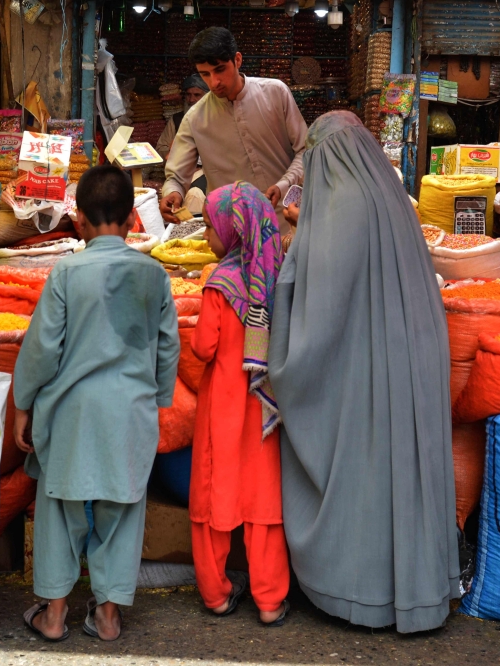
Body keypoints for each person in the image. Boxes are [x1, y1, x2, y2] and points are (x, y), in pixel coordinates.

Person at [269, 111, 459, 633]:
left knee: (365, 472)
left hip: (365, 368)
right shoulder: (390, 197)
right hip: (411, 358)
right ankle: (416, 593)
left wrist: (279, 356)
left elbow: (320, 307)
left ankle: (358, 592)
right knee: (401, 471)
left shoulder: (340, 205)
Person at [13, 164, 180, 643]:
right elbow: (167, 348)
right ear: (132, 219)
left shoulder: (66, 272)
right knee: (121, 511)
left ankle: (54, 614)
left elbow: (42, 347)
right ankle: (107, 616)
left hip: (70, 416)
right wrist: (157, 402)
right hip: (129, 415)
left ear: (78, 219)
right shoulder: (154, 275)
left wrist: (24, 402)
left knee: (59, 511)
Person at [190, 181, 289, 627]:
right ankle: (269, 600)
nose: (207, 236)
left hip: (222, 410)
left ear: (233, 231)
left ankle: (215, 594)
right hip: (264, 408)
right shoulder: (276, 278)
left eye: (211, 227)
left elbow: (203, 347)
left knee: (213, 497)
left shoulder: (218, 285)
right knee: (262, 502)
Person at [161, 27, 307, 234]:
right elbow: (176, 176)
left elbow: (305, 150)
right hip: (235, 230)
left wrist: (284, 184)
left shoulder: (276, 93)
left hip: (286, 220)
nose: (214, 82)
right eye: (205, 74)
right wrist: (172, 193)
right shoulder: (194, 118)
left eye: (219, 69)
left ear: (237, 60)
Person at [155, 74, 209, 158]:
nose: (191, 99)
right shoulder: (177, 119)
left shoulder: (217, 119)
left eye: (197, 95)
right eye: (188, 95)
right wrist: (176, 152)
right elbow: (161, 147)